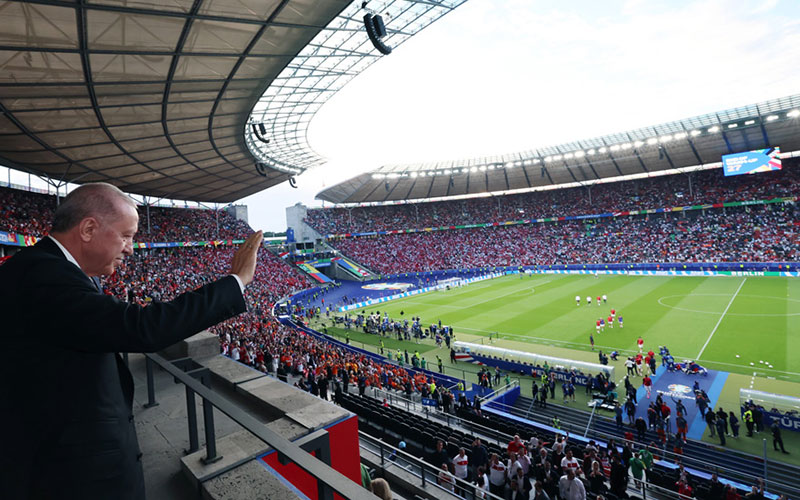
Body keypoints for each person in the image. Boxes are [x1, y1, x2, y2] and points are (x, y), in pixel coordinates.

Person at [0, 183, 262, 500]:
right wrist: (235, 282)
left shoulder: (51, 269)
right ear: (88, 229)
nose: (130, 249)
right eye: (126, 236)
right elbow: (142, 328)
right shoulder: (41, 275)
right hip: (69, 476)